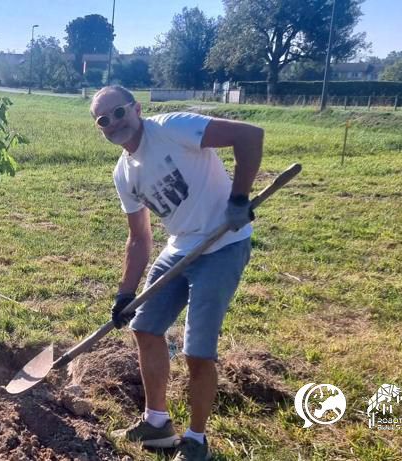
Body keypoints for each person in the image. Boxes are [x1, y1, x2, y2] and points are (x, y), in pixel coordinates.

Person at [92, 85, 263, 461]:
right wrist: (124, 294)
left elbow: (250, 136)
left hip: (222, 244)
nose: (114, 122)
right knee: (145, 327)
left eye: (119, 112)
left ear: (136, 108)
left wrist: (239, 198)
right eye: (103, 120)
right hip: (180, 246)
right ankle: (157, 424)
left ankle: (196, 441)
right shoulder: (124, 173)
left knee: (197, 350)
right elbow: (139, 238)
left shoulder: (172, 128)